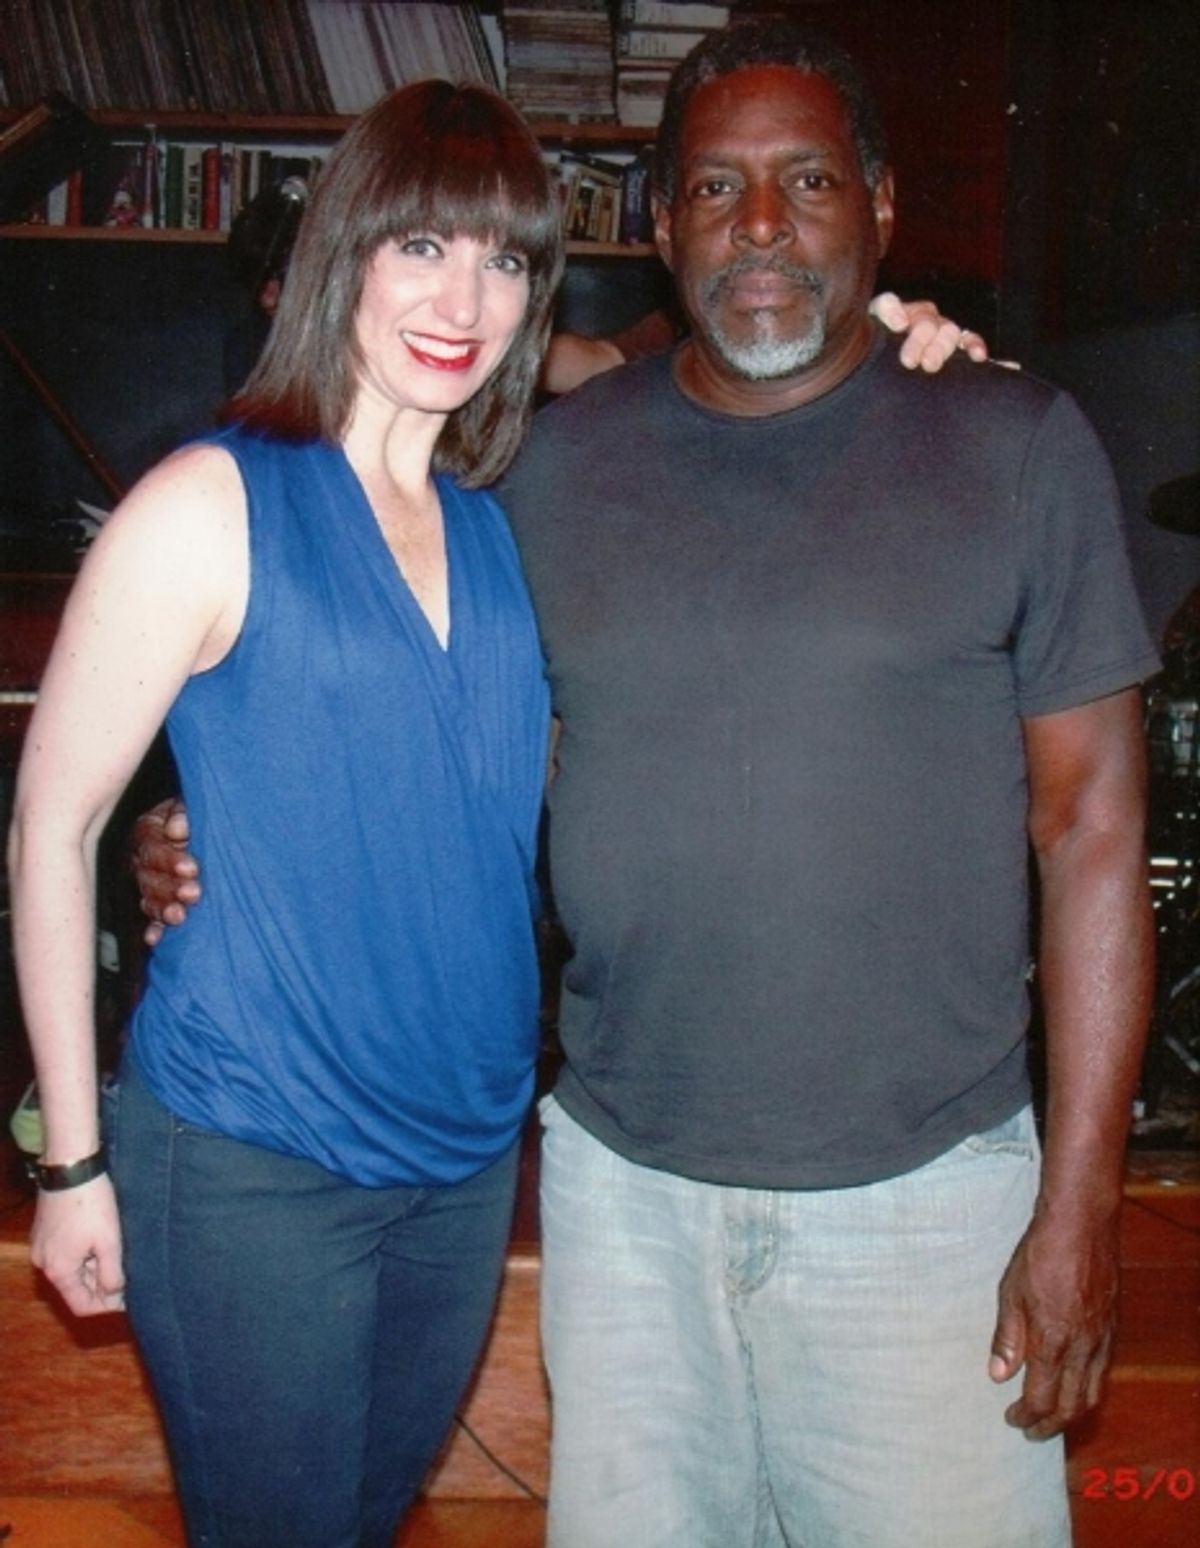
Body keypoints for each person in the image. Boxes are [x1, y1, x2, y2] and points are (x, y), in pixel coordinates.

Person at [496, 22, 1157, 1546]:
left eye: (805, 181)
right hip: (620, 1200)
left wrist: (1079, 1207)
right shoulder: (554, 473)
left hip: (928, 1205)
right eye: (717, 192)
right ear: (660, 227)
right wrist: (205, 840)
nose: (763, 229)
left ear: (879, 202)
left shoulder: (1011, 445)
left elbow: (1095, 831)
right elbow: (461, 767)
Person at [8, 79, 563, 1548]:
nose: (465, 295)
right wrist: (68, 1163)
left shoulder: (499, 529)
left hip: (461, 1162)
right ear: (345, 255)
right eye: (424, 245)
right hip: (258, 1154)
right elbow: (50, 831)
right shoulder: (206, 502)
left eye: (505, 259)